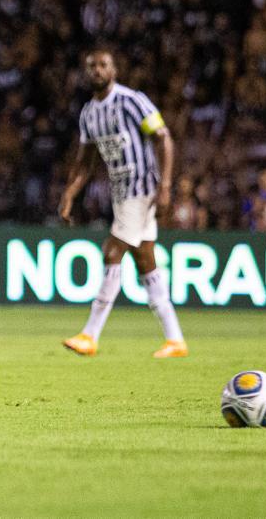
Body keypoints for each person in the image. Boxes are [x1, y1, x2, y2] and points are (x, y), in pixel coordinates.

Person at [58, 49, 188, 358]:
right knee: (145, 261)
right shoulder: (89, 114)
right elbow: (85, 161)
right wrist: (70, 193)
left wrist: (165, 186)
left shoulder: (132, 101)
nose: (97, 70)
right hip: (120, 192)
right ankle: (175, 340)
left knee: (112, 251)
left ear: (114, 70)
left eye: (103, 65)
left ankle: (90, 335)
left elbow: (163, 138)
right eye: (92, 66)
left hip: (141, 188)